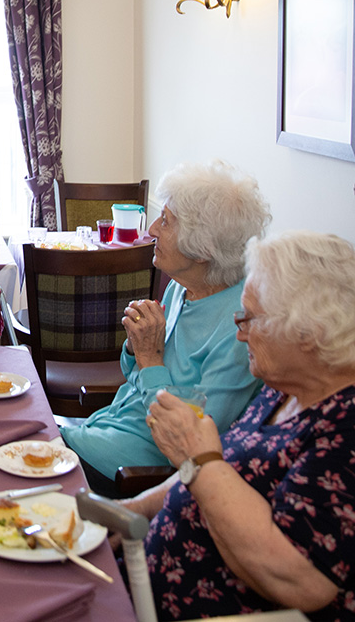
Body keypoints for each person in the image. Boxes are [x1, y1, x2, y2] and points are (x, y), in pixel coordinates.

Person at [121, 231, 355, 620]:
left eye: (250, 317)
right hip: (144, 575)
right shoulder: (284, 391)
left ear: (310, 333)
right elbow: (222, 468)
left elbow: (303, 583)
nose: (239, 330)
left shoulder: (344, 429)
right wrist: (134, 509)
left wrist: (200, 458)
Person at [60, 160, 270, 496]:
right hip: (96, 430)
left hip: (126, 470)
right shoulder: (182, 285)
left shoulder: (239, 329)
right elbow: (135, 376)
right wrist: (136, 347)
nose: (152, 229)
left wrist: (148, 357)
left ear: (202, 251)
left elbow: (189, 439)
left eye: (166, 222)